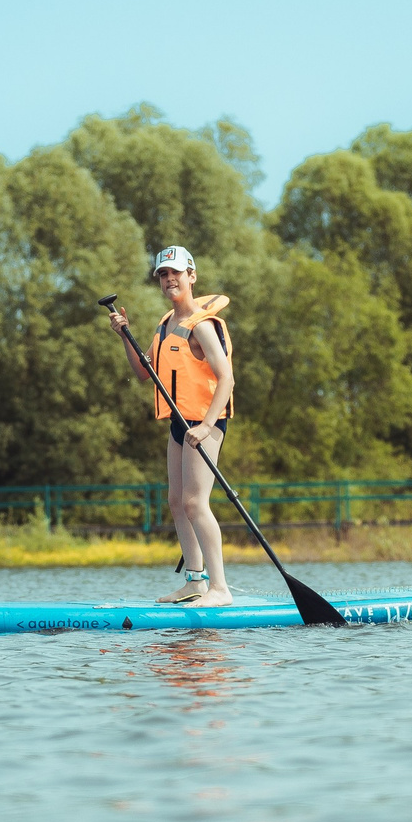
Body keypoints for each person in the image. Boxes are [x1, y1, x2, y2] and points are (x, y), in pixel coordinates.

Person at [108, 246, 235, 606]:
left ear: (192, 276)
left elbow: (226, 378)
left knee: (196, 502)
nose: (169, 280)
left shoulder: (204, 325)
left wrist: (207, 426)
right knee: (177, 501)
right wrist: (124, 335)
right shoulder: (166, 324)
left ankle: (220, 589)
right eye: (163, 274)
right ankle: (195, 581)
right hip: (179, 423)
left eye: (175, 273)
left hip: (204, 422)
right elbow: (141, 372)